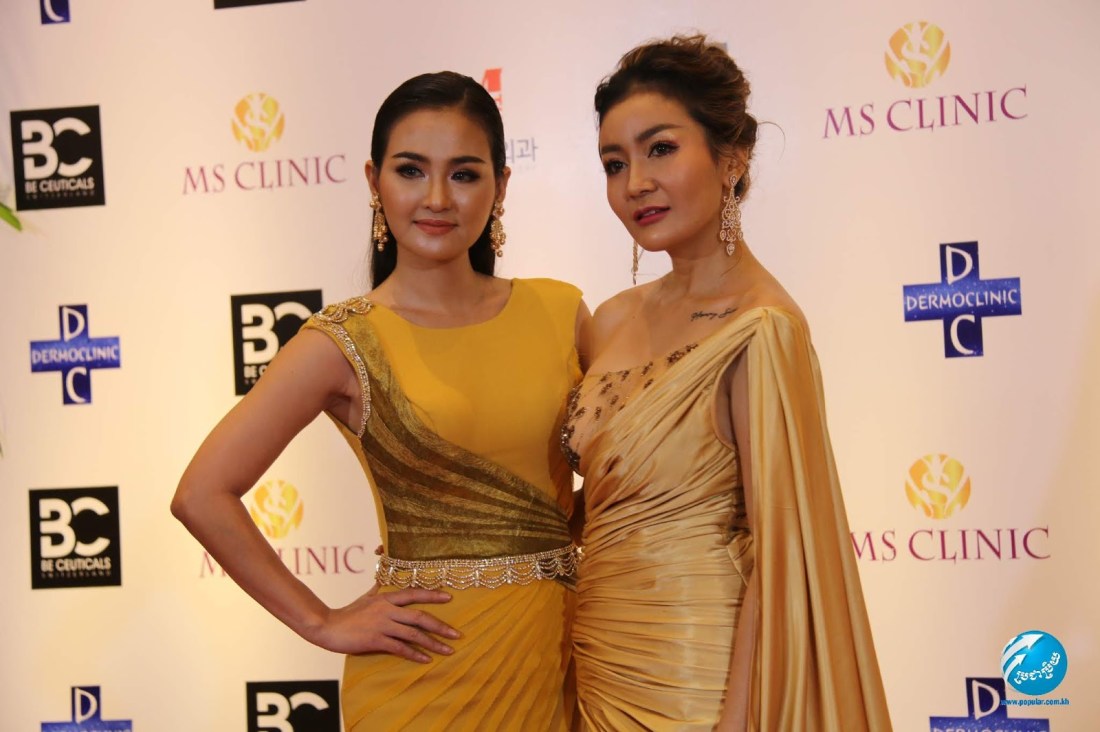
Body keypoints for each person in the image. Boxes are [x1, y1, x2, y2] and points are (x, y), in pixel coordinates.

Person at [172, 71, 588, 731]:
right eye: (410, 170)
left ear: (502, 186)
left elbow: (622, 480)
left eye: (464, 174)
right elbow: (201, 493)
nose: (436, 198)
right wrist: (320, 620)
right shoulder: (342, 341)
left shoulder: (560, 312)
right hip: (422, 680)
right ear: (374, 181)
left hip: (556, 658)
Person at [562, 36, 892, 731]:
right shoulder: (610, 320)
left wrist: (737, 722)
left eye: (660, 149)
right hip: (591, 666)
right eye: (614, 163)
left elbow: (783, 562)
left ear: (732, 156)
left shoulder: (761, 328)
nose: (634, 183)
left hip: (696, 685)